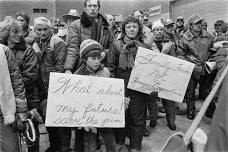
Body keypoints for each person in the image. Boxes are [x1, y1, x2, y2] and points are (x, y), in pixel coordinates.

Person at [107, 16, 149, 152]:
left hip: (139, 89)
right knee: (121, 116)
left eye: (134, 26)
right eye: (128, 26)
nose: (131, 29)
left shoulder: (145, 46)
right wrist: (114, 90)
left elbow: (151, 69)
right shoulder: (116, 45)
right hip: (121, 87)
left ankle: (135, 146)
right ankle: (119, 142)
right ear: (124, 29)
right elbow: (111, 68)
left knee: (137, 118)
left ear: (139, 29)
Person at [0, 18, 40, 152]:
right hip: (8, 100)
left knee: (28, 137)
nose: (19, 34)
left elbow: (29, 77)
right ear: (5, 33)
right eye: (15, 31)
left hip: (24, 98)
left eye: (21, 31)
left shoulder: (27, 51)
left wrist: (10, 90)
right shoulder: (3, 50)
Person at [32, 17, 71, 152]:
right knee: (49, 124)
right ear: (34, 30)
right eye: (39, 30)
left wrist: (55, 93)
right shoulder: (33, 43)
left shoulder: (58, 43)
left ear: (50, 29)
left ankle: (59, 148)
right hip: (40, 90)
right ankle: (54, 147)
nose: (42, 32)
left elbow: (60, 68)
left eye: (45, 29)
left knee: (56, 125)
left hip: (54, 90)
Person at [74, 39, 117, 152]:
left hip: (105, 114)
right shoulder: (77, 76)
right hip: (88, 117)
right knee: (90, 143)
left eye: (99, 58)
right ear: (84, 59)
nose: (97, 61)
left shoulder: (105, 72)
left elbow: (113, 91)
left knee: (110, 141)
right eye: (93, 58)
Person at [176, 14, 214, 120]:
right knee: (190, 92)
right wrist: (189, 64)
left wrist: (211, 62)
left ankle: (209, 111)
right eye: (196, 23)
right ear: (190, 26)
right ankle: (191, 111)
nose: (199, 25)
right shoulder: (184, 38)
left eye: (200, 22)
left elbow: (214, 49)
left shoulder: (209, 36)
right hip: (191, 69)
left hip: (206, 69)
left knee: (208, 91)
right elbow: (179, 55)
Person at [64, 0, 114, 73]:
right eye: (90, 6)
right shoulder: (76, 25)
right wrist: (68, 68)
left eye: (95, 6)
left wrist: (105, 53)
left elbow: (112, 48)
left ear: (98, 8)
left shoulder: (106, 27)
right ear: (85, 8)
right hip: (81, 67)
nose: (92, 8)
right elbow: (73, 48)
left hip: (101, 67)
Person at [147, 20, 176, 131]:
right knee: (152, 99)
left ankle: (171, 121)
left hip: (166, 74)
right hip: (152, 75)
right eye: (157, 30)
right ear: (153, 31)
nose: (159, 32)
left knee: (169, 99)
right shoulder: (148, 44)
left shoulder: (170, 43)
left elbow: (174, 59)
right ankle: (153, 119)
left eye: (161, 29)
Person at [0, 35, 27, 151]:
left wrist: (21, 111)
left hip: (4, 112)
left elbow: (17, 82)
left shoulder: (4, 51)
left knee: (10, 148)